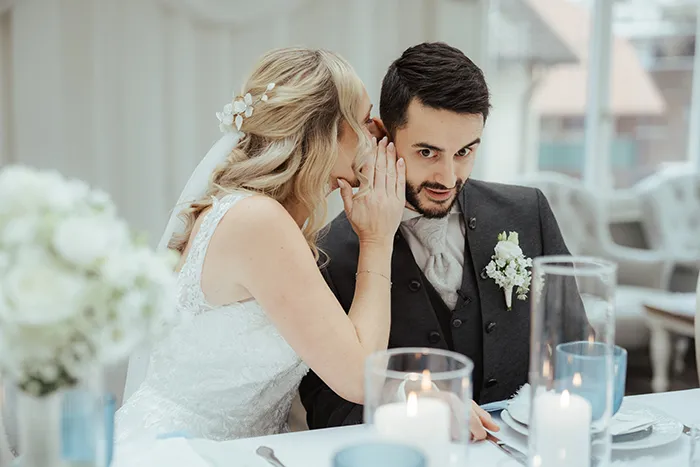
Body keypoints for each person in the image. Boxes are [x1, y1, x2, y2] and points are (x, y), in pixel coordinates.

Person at [115, 47, 408, 443]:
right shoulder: (257, 221)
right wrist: (377, 239)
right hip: (182, 451)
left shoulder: (254, 214)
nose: (377, 133)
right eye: (364, 119)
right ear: (326, 136)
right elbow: (361, 379)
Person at [300, 42, 571, 439]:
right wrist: (418, 413)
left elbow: (574, 348)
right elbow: (328, 414)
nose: (448, 177)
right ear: (381, 136)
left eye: (464, 151)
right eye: (427, 152)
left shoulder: (527, 213)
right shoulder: (327, 253)